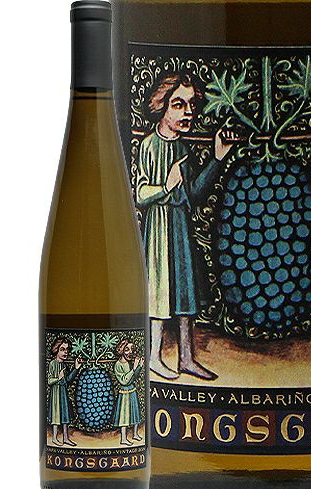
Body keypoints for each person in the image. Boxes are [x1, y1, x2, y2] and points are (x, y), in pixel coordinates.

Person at [137, 73, 236, 380]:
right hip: (159, 229)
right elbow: (140, 193)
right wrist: (165, 187)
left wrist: (217, 159)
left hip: (180, 227)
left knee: (185, 292)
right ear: (162, 106)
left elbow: (194, 193)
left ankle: (186, 358)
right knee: (158, 293)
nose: (188, 112)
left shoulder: (183, 148)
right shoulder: (149, 145)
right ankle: (153, 357)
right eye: (179, 104)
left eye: (191, 105)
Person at [47, 338, 82, 446]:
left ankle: (66, 438)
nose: (65, 352)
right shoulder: (53, 363)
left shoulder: (64, 365)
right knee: (56, 414)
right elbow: (49, 381)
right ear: (56, 350)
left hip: (63, 393)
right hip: (56, 394)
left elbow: (68, 381)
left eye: (67, 349)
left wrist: (76, 368)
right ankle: (54, 438)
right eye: (62, 349)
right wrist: (58, 378)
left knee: (65, 414)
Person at [112, 339, 144, 446]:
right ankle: (123, 438)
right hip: (124, 393)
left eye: (132, 349)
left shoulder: (129, 363)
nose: (130, 352)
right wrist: (134, 368)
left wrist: (139, 366)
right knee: (124, 417)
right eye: (127, 349)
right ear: (121, 350)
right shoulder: (118, 365)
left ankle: (135, 434)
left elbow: (134, 377)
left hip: (132, 391)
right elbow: (124, 381)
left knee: (135, 413)